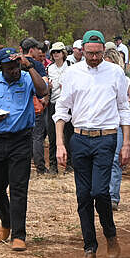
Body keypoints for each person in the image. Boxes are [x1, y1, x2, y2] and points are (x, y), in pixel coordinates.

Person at [54, 30, 130, 258]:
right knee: (83, 195)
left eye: (98, 53)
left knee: (100, 191)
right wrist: (59, 143)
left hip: (106, 138)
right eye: (90, 53)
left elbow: (124, 109)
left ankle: (110, 234)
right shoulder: (72, 74)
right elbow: (61, 110)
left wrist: (126, 143)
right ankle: (89, 247)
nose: (94, 57)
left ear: (104, 51)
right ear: (82, 50)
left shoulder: (116, 73)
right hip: (79, 138)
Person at [0, 47, 48, 251]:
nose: (14, 70)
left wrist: (30, 67)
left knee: (18, 188)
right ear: (2, 67)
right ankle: (6, 223)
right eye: (10, 67)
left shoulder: (27, 78)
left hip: (21, 140)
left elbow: (43, 91)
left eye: (16, 66)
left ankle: (19, 234)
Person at [103, 46, 130, 210]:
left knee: (115, 161)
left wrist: (129, 104)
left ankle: (112, 197)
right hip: (102, 124)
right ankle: (102, 194)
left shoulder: (125, 80)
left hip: (117, 124)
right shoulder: (99, 79)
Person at [20, 37, 51, 174]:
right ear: (31, 50)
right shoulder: (36, 65)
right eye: (37, 49)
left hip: (20, 106)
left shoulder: (16, 63)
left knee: (22, 136)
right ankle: (40, 167)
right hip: (35, 105)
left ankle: (23, 166)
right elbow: (44, 85)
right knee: (37, 137)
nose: (39, 52)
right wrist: (45, 98)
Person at [45, 41, 70, 173]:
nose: (55, 54)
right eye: (53, 52)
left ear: (63, 53)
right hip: (53, 104)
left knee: (69, 135)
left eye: (58, 52)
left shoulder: (71, 67)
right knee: (53, 135)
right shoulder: (49, 68)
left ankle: (69, 164)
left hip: (68, 105)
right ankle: (53, 166)